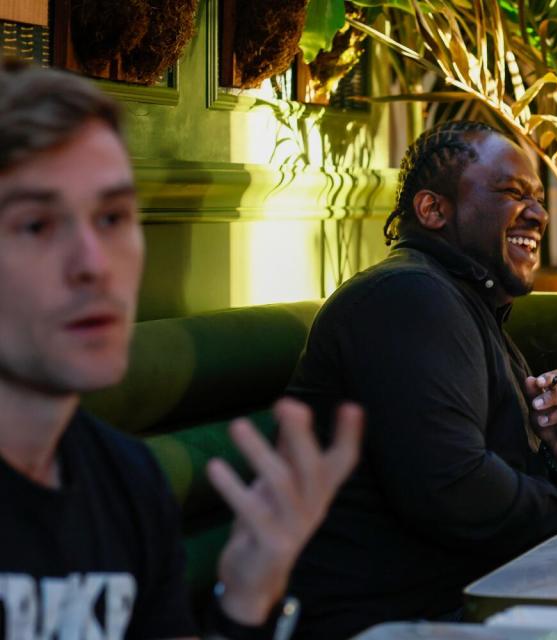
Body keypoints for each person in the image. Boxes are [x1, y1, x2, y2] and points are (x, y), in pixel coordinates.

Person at [0, 58, 363, 639]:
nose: (95, 264)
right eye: (37, 225)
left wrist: (245, 598)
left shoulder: (126, 478)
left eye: (113, 217)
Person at [286, 121, 557, 638]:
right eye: (511, 192)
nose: (539, 213)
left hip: (469, 602)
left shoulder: (464, 303)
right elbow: (453, 490)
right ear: (433, 210)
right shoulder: (407, 299)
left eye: (539, 199)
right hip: (386, 621)